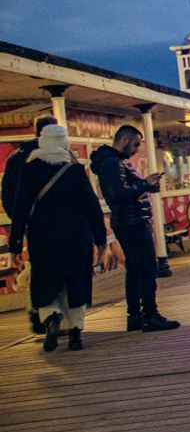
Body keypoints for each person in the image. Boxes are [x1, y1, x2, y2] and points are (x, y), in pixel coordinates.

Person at [8, 124, 108, 351]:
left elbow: (21, 206)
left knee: (45, 280)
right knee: (76, 280)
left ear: (42, 141)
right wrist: (100, 239)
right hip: (76, 234)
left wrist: (15, 243)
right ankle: (75, 332)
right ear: (64, 142)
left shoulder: (31, 168)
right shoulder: (73, 169)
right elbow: (91, 205)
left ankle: (52, 317)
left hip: (43, 236)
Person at [91, 125, 180, 333]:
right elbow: (120, 193)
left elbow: (123, 191)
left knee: (134, 268)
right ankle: (150, 314)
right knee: (148, 267)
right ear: (124, 140)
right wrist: (145, 184)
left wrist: (146, 186)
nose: (136, 149)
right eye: (135, 144)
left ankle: (135, 316)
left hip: (128, 221)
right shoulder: (112, 163)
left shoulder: (113, 161)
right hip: (132, 222)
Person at [2, 115, 59, 334]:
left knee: (39, 267)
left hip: (34, 225)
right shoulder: (59, 156)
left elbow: (9, 197)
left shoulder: (18, 158)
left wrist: (21, 223)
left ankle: (40, 311)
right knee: (60, 267)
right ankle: (54, 315)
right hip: (59, 224)